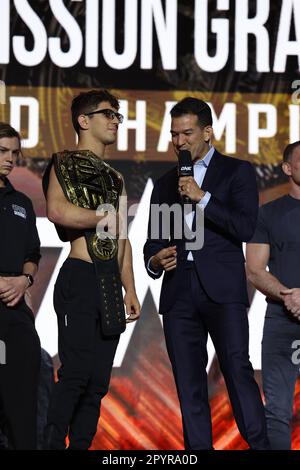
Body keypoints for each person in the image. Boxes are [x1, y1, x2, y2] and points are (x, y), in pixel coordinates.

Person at [144, 97, 269, 450]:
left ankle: (260, 445)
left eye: (186, 133)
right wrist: (156, 260)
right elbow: (153, 240)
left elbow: (245, 227)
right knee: (189, 384)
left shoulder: (237, 171)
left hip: (222, 292)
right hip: (179, 295)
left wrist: (202, 198)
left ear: (208, 132)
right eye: (173, 134)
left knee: (237, 370)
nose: (179, 142)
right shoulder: (165, 182)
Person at [42, 89, 140, 450]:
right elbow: (57, 211)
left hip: (110, 284)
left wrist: (129, 288)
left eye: (118, 115)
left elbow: (123, 238)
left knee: (98, 381)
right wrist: (102, 216)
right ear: (84, 121)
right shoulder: (63, 163)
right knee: (76, 373)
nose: (116, 120)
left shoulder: (116, 178)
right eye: (108, 114)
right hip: (80, 277)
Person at [246, 141, 300, 450]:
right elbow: (254, 270)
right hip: (282, 320)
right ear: (287, 169)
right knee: (277, 414)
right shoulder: (268, 214)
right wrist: (291, 297)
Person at [0, 122, 41, 449]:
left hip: (16, 315)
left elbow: (32, 255)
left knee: (22, 408)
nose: (10, 159)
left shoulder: (23, 203)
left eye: (14, 152)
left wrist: (24, 278)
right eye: (2, 151)